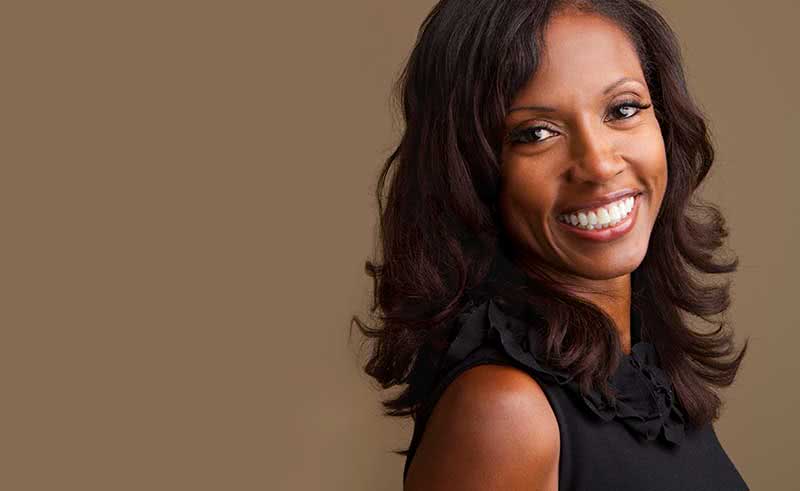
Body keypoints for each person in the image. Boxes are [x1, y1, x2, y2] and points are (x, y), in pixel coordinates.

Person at [351, 0, 750, 489]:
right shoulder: (506, 413)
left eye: (623, 109)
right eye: (536, 133)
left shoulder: (645, 372)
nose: (599, 164)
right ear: (470, 172)